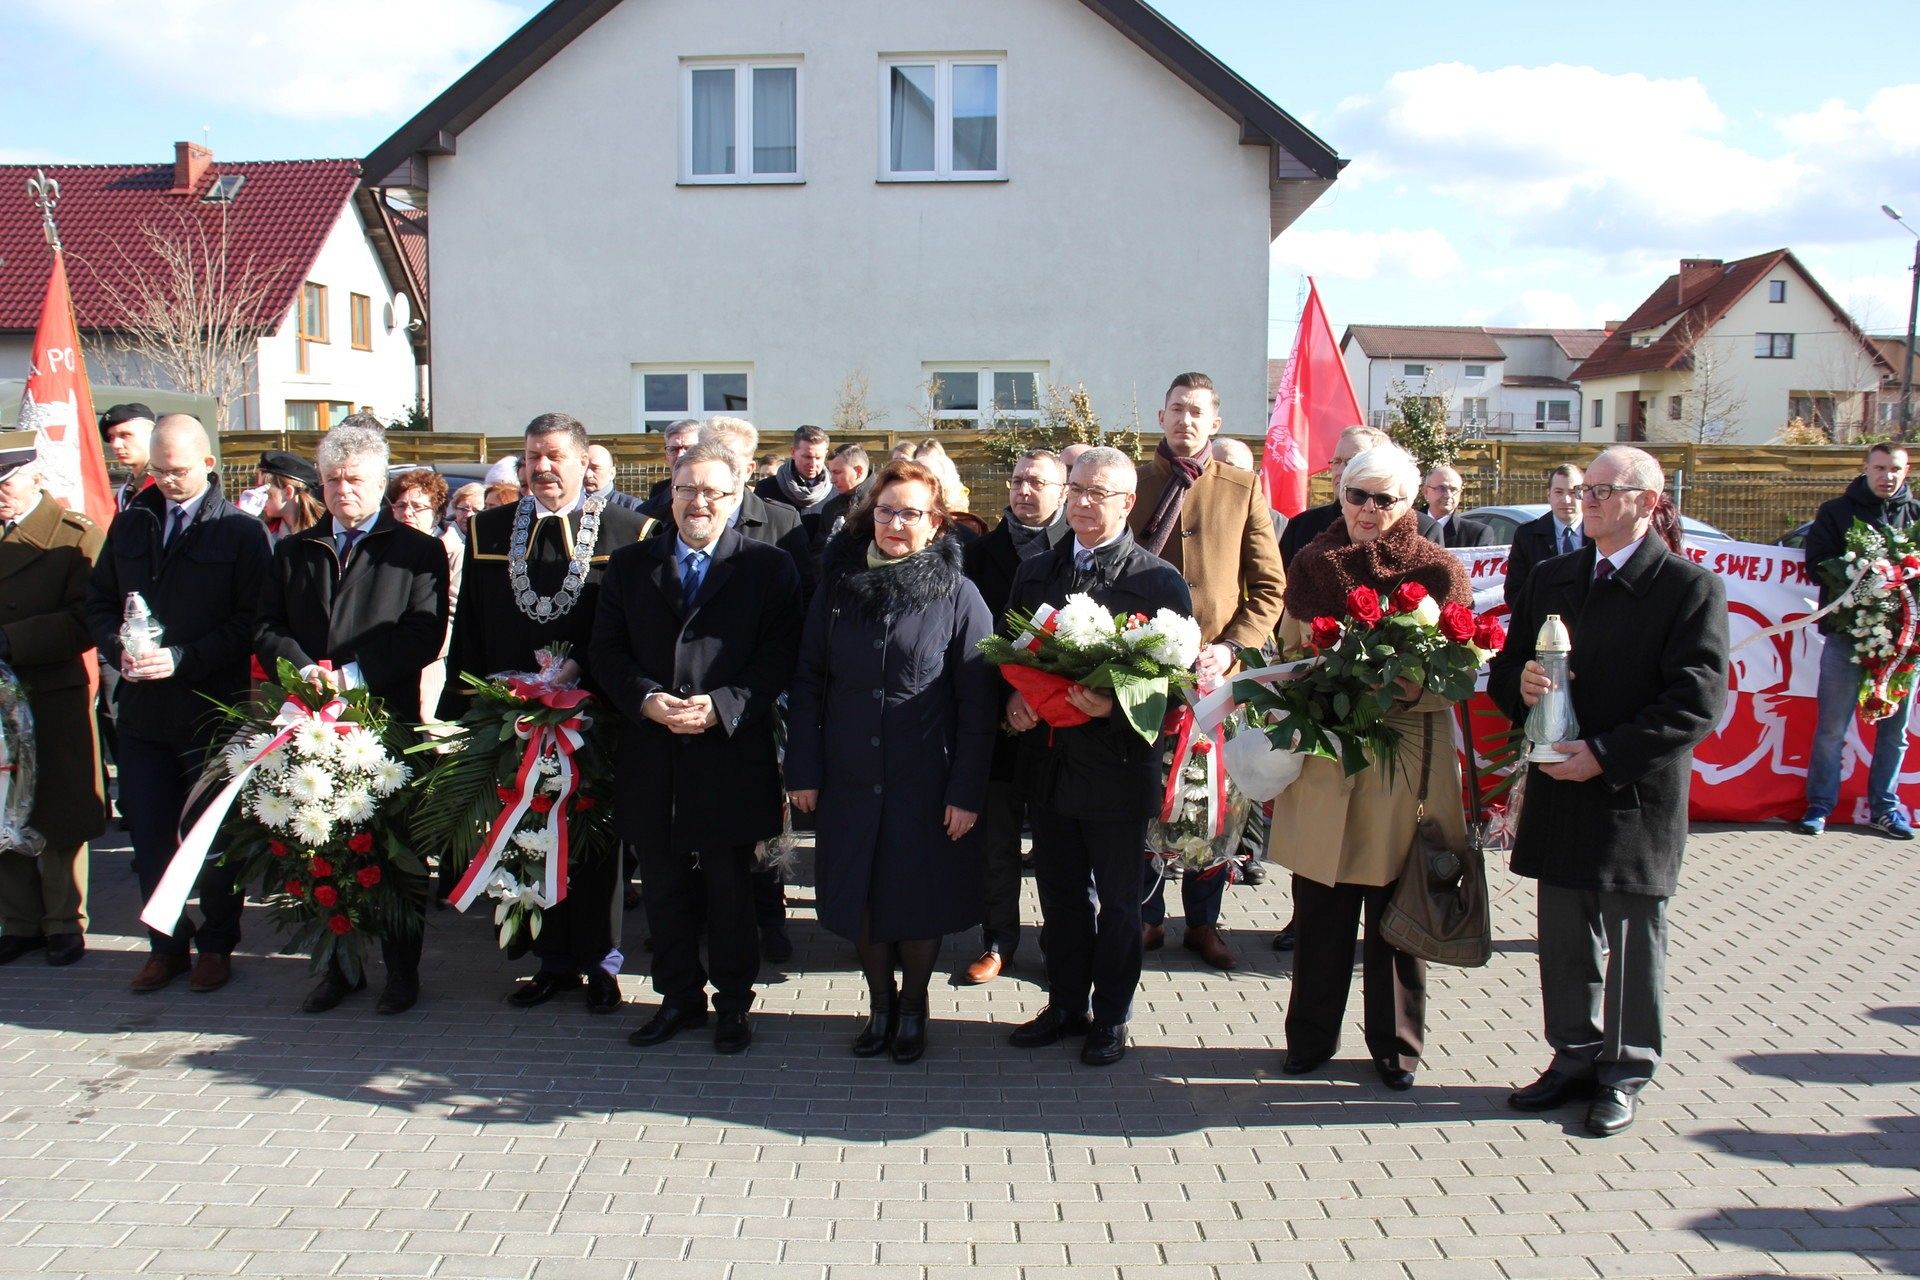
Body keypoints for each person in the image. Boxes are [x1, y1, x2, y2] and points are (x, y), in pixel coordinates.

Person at [1490, 446, 1728, 1137]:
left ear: (1647, 502)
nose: (1584, 500)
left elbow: (1694, 704)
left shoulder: (1687, 588)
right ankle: (1573, 1054)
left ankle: (1625, 1070)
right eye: (1583, 489)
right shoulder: (1553, 576)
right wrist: (1522, 687)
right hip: (1560, 785)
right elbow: (1509, 667)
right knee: (1562, 936)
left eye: (1602, 490)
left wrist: (1604, 754)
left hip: (1631, 793)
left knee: (1631, 938)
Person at [1268, 444, 1472, 1092]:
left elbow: (1463, 668)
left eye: (1385, 498)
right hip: (1329, 760)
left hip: (1403, 765)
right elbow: (1289, 650)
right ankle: (1310, 1040)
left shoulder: (1438, 570)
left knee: (1397, 917)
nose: (1369, 509)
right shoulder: (1310, 562)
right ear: (1341, 495)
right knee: (1321, 917)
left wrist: (1413, 689)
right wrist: (1313, 677)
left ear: (1410, 504)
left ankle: (1396, 1048)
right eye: (1358, 494)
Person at [592, 442, 803, 1054]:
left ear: (736, 497)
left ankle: (733, 1003)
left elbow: (779, 657)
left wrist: (724, 705)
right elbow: (607, 650)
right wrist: (646, 700)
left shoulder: (768, 567)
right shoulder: (630, 565)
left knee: (730, 888)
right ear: (672, 493)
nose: (699, 502)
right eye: (688, 490)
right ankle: (678, 998)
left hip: (729, 754)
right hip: (653, 750)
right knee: (662, 886)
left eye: (714, 491)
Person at [787, 459, 996, 1063]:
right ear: (868, 514)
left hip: (925, 775)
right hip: (848, 770)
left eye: (910, 513)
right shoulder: (836, 585)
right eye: (885, 510)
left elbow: (977, 702)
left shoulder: (960, 593)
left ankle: (914, 1007)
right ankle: (880, 1004)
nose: (895, 523)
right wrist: (802, 767)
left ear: (936, 523)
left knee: (916, 895)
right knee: (864, 895)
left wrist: (967, 791)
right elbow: (808, 680)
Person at [444, 413, 648, 1012]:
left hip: (598, 718)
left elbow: (634, 632)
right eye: (533, 456)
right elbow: (471, 635)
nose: (542, 467)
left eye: (555, 455)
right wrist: (464, 711)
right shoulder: (489, 531)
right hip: (515, 719)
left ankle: (602, 961)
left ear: (585, 462)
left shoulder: (630, 532)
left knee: (594, 844)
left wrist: (582, 670)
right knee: (529, 835)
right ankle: (550, 959)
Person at [1004, 447, 1193, 1067]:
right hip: (1050, 762)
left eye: (1098, 494)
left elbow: (1172, 686)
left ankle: (1111, 1015)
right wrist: (1016, 703)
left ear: (1127, 504)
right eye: (1077, 489)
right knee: (1058, 895)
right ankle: (1064, 1004)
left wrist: (1113, 706)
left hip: (1114, 771)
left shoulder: (1155, 581)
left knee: (1117, 905)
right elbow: (1013, 653)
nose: (1083, 503)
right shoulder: (1036, 568)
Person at [256, 420, 450, 1014]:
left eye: (357, 479)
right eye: (334, 479)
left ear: (379, 481)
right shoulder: (295, 550)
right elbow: (265, 626)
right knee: (324, 847)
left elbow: (425, 632)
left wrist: (352, 675)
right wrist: (303, 672)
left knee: (393, 855)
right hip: (308, 719)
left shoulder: (417, 550)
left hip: (384, 721)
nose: (344, 491)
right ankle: (340, 967)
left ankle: (401, 972)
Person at [86, 415, 271, 993]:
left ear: (209, 465)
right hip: (141, 714)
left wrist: (185, 658)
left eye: (179, 471)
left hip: (207, 710)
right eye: (158, 470)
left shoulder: (239, 532)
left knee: (211, 838)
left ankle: (217, 942)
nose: (167, 480)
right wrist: (119, 649)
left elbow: (251, 624)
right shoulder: (133, 523)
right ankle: (165, 947)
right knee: (147, 836)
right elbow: (97, 604)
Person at [1131, 373, 1286, 969]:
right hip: (1143, 670)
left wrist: (1234, 648)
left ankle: (1204, 920)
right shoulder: (1136, 483)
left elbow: (1269, 588)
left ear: (1215, 421)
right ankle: (1146, 915)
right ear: (1162, 416)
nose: (1185, 421)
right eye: (1175, 409)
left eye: (1197, 411)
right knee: (1148, 795)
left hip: (1214, 674)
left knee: (1211, 799)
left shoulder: (1243, 488)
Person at [688, 417, 816, 957]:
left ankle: (770, 916)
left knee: (765, 820)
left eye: (736, 461)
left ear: (747, 468)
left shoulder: (782, 522)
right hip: (691, 697)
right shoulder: (668, 514)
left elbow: (800, 608)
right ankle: (695, 918)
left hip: (761, 700)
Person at [959, 448, 1070, 984]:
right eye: (1019, 480)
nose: (1025, 491)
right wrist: (1007, 698)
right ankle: (998, 940)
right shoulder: (978, 555)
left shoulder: (1077, 554)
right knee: (996, 843)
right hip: (999, 722)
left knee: (1057, 845)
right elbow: (969, 641)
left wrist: (1045, 697)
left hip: (1062, 726)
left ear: (1063, 491)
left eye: (1038, 482)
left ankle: (1060, 944)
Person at [0, 433, 105, 968]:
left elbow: (89, 618)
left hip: (49, 692)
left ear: (34, 475)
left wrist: (14, 640)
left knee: (59, 808)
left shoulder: (74, 536)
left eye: (7, 481)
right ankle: (18, 920)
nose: (1, 494)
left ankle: (64, 921)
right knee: (3, 805)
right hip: (1, 705)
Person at [1796, 442, 1920, 838]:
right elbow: (1815, 565)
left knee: (1894, 731)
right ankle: (1820, 805)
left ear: (1907, 471)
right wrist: (1860, 576)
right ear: (1865, 468)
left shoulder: (1916, 515)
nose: (1888, 476)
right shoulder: (1836, 512)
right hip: (1846, 637)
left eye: (1896, 469)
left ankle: (1885, 808)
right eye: (1880, 467)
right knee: (1832, 726)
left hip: (1903, 643)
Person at [386, 468, 464, 726]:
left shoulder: (452, 552)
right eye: (400, 505)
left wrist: (414, 649)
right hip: (382, 663)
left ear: (437, 514)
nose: (407, 512)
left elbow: (452, 614)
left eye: (418, 506)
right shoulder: (383, 550)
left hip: (431, 663)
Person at [1277, 426, 1391, 567]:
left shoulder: (1412, 529)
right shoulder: (1301, 527)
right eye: (1337, 461)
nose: (1341, 470)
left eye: (1353, 461)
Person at [1503, 463, 1586, 610]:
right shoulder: (1527, 536)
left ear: (1583, 494)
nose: (1566, 500)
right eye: (1559, 492)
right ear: (1549, 495)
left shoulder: (1601, 532)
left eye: (1573, 492)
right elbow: (1514, 591)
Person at [810, 443, 873, 555]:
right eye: (830, 472)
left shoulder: (882, 503)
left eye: (837, 472)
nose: (832, 480)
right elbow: (818, 552)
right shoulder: (831, 508)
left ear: (858, 471)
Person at [755, 425, 833, 514]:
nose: (813, 464)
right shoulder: (766, 488)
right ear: (793, 452)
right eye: (807, 457)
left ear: (826, 454)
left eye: (818, 458)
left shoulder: (836, 489)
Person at [640, 420, 703, 519]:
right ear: (666, 456)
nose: (680, 455)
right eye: (673, 449)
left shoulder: (719, 497)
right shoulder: (647, 510)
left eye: (688, 449)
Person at [1421, 465, 1495, 548]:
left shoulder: (1476, 534)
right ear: (1426, 491)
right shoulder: (1410, 526)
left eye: (1453, 490)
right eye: (1441, 488)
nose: (1448, 495)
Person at [258, 452, 325, 542]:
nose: (260, 498)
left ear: (288, 492)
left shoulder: (325, 529)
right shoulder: (265, 533)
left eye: (265, 492)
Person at [100, 404, 156, 511]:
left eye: (125, 435)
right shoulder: (125, 490)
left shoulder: (166, 485)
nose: (115, 445)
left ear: (152, 435)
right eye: (111, 437)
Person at [585, 444, 645, 512]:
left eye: (595, 468)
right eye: (583, 467)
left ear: (612, 473)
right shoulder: (572, 505)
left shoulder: (631, 507)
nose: (587, 474)